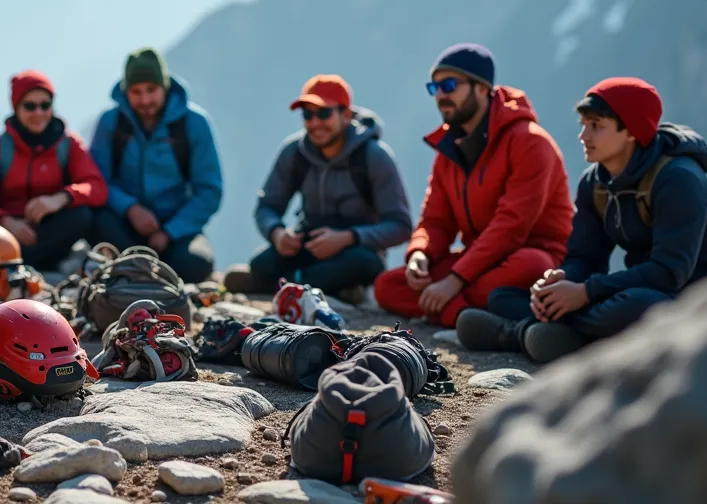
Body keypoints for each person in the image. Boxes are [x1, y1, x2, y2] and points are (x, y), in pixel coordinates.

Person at [457, 77, 707, 361]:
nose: (583, 136)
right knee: (503, 297)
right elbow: (585, 257)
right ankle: (564, 335)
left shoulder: (678, 180)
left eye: (596, 126)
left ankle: (516, 332)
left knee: (639, 306)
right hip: (639, 290)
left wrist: (586, 292)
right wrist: (559, 284)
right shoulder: (595, 183)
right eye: (583, 125)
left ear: (631, 131)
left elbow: (670, 273)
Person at [373, 43, 574, 327]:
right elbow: (436, 221)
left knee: (532, 265)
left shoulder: (530, 142)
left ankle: (456, 312)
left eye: (450, 85)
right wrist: (421, 253)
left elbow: (512, 226)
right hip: (476, 263)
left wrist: (454, 281)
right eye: (435, 88)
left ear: (482, 88)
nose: (440, 95)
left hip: (532, 257)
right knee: (387, 286)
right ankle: (468, 316)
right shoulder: (448, 150)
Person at [230, 74, 412, 303]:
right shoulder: (294, 152)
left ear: (346, 115)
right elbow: (267, 206)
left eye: (324, 113)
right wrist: (277, 233)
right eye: (308, 115)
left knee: (363, 264)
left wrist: (347, 237)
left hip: (356, 250)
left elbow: (401, 225)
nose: (315, 123)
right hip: (308, 245)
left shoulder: (375, 156)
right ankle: (329, 290)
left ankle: (282, 286)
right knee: (261, 264)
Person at [88, 47, 224, 284]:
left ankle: (142, 271)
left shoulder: (194, 123)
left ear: (165, 86)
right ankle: (142, 271)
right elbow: (97, 180)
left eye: (151, 90)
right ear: (125, 91)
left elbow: (209, 191)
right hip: (125, 224)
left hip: (177, 228)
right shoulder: (110, 123)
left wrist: (170, 231)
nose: (145, 100)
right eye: (136, 92)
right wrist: (130, 208)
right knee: (94, 220)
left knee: (196, 263)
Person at [0, 69, 108, 271]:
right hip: (8, 233)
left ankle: (16, 265)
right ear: (16, 107)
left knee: (82, 215)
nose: (39, 113)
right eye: (30, 106)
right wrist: (8, 222)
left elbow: (96, 187)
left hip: (51, 228)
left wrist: (61, 198)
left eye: (45, 105)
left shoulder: (68, 144)